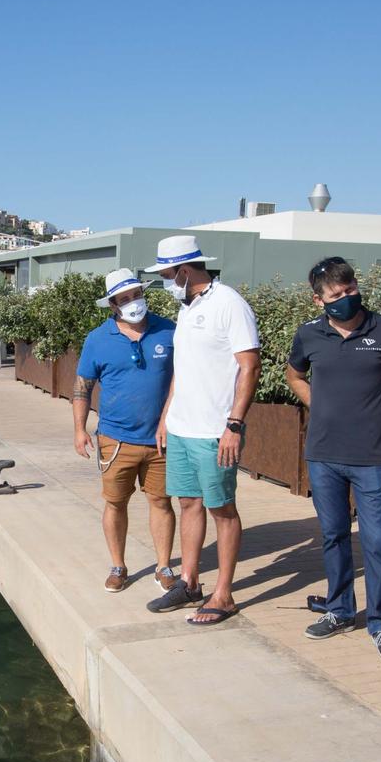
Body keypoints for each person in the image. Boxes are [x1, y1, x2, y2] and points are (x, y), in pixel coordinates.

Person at [284, 257, 381, 662]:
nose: (346, 298)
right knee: (334, 535)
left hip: (371, 456)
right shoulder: (309, 334)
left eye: (350, 290)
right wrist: (318, 402)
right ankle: (340, 610)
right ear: (318, 300)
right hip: (323, 454)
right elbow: (294, 375)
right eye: (336, 295)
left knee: (378, 541)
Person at [141, 235, 259, 627]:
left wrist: (234, 425)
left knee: (222, 510)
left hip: (214, 432)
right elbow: (185, 369)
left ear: (185, 271)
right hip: (180, 430)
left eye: (166, 273)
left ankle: (223, 594)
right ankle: (190, 583)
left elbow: (250, 366)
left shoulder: (229, 304)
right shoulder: (187, 309)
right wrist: (165, 417)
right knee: (188, 503)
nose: (164, 280)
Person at [73, 268, 180, 593]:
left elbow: (184, 376)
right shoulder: (98, 339)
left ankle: (163, 566)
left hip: (161, 440)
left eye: (137, 295)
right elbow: (82, 385)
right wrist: (80, 429)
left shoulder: (169, 331)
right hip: (115, 440)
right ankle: (118, 566)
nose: (134, 302)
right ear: (113, 306)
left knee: (161, 502)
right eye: (125, 298)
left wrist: (169, 421)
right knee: (115, 503)